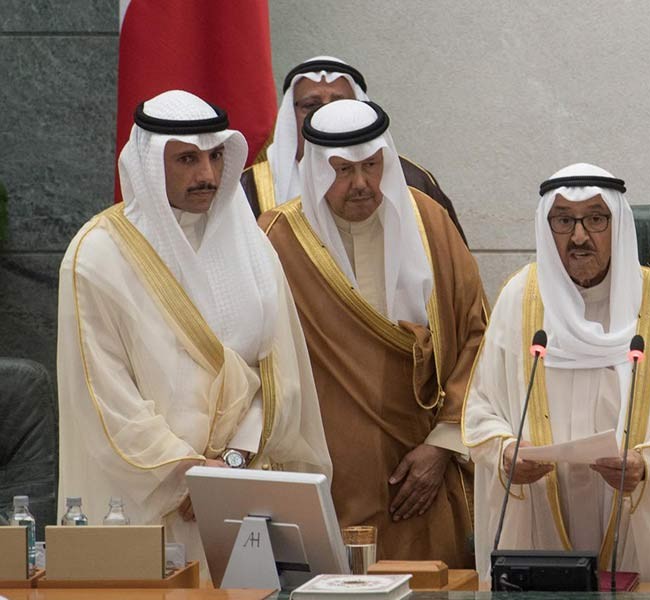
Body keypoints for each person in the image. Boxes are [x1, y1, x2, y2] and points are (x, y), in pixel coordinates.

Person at [57, 90, 331, 570]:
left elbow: (278, 373)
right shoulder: (98, 256)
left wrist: (231, 466)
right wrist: (188, 476)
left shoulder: (251, 248)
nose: (207, 174)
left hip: (242, 495)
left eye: (215, 156)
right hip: (150, 502)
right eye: (186, 159)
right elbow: (105, 396)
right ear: (147, 163)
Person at [463, 163, 650, 582]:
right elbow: (480, 413)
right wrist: (505, 453)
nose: (580, 236)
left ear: (617, 225)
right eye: (564, 220)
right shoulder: (521, 298)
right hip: (541, 518)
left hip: (638, 528)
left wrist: (648, 465)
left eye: (596, 219)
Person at [259, 99, 486, 567]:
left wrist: (444, 445)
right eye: (342, 170)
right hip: (326, 480)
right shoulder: (277, 240)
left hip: (422, 479)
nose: (361, 184)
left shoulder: (429, 224)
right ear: (318, 170)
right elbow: (252, 360)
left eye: (372, 166)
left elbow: (478, 335)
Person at [242, 55, 467, 243]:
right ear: (290, 116)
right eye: (311, 106)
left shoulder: (413, 180)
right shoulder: (250, 186)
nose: (325, 114)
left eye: (340, 104)